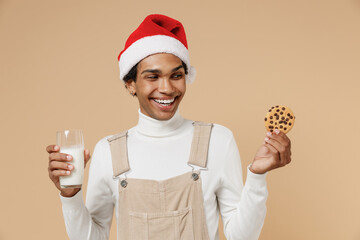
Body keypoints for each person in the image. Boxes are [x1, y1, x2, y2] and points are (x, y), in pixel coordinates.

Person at [46, 14, 292, 240]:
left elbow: (241, 237)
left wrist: (257, 176)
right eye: (152, 77)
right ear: (131, 84)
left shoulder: (218, 140)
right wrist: (70, 197)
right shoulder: (108, 151)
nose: (167, 88)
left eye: (176, 75)